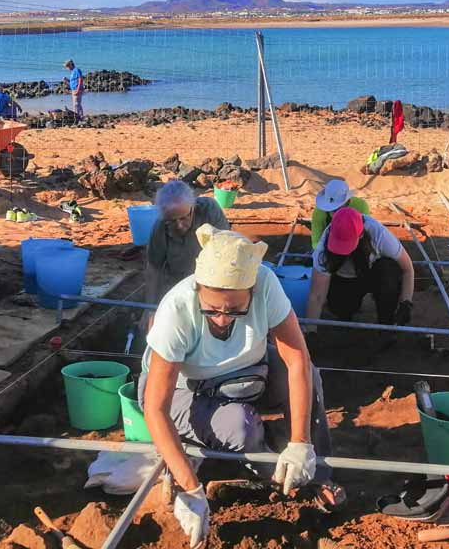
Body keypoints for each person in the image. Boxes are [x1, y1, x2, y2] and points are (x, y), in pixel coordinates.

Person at [141, 225, 343, 548]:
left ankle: (316, 472)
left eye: (235, 310)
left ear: (251, 290)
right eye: (213, 309)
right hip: (186, 389)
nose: (222, 319)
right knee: (240, 427)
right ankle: (269, 475)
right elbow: (155, 407)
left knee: (311, 378)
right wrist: (192, 490)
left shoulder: (265, 285)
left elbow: (297, 362)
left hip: (246, 372)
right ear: (198, 290)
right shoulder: (177, 310)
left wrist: (301, 442)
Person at [305, 207, 415, 330]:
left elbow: (408, 269)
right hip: (344, 279)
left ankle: (386, 324)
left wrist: (406, 303)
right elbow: (317, 295)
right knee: (339, 307)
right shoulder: (323, 248)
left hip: (372, 273)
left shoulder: (379, 234)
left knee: (389, 270)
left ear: (361, 234)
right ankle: (345, 315)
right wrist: (310, 330)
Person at [145, 180, 230, 315]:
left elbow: (227, 252)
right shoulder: (160, 227)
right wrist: (149, 310)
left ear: (193, 207)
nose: (179, 225)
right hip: (180, 287)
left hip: (214, 285)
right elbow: (154, 269)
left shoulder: (209, 211)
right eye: (172, 221)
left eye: (184, 218)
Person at [310, 179, 370, 247]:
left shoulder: (361, 206)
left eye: (336, 209)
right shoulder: (319, 211)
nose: (333, 212)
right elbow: (316, 241)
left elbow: (367, 233)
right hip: (329, 247)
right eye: (331, 209)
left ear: (346, 201)